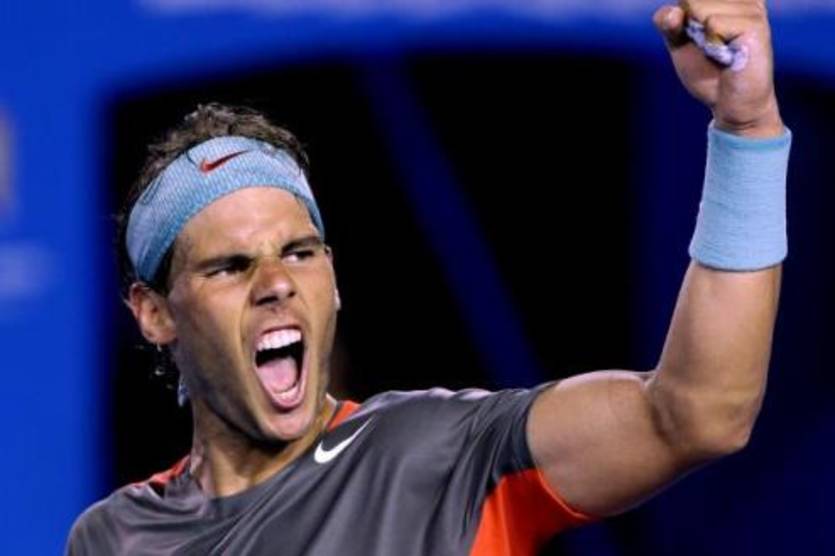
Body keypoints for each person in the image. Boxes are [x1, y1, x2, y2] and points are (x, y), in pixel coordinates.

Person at [66, 1, 792, 554]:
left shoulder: (443, 457)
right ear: (155, 313)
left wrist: (747, 128)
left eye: (300, 252)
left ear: (333, 279)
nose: (277, 282)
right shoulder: (117, 536)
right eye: (230, 265)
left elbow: (697, 413)